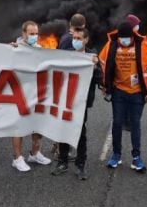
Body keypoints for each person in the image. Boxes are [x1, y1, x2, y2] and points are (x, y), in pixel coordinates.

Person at [100, 20, 147, 173]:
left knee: (135, 124)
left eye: (127, 38)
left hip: (137, 93)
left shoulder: (144, 46)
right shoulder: (111, 45)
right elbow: (103, 63)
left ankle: (136, 157)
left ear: (133, 36)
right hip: (118, 91)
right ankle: (116, 155)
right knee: (117, 122)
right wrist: (105, 85)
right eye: (122, 38)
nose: (124, 40)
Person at [51, 27, 102, 180]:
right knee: (63, 129)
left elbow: (101, 78)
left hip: (82, 100)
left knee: (80, 132)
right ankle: (62, 162)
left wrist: (95, 67)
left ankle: (80, 165)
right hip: (65, 98)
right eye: (75, 38)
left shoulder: (91, 56)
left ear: (86, 40)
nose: (76, 41)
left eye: (80, 38)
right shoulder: (64, 53)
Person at [10, 21, 53, 171]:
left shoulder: (40, 49)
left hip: (36, 94)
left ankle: (35, 153)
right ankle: (17, 158)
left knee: (37, 125)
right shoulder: (14, 49)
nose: (34, 36)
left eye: (36, 34)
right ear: (23, 34)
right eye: (31, 34)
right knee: (19, 127)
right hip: (19, 94)